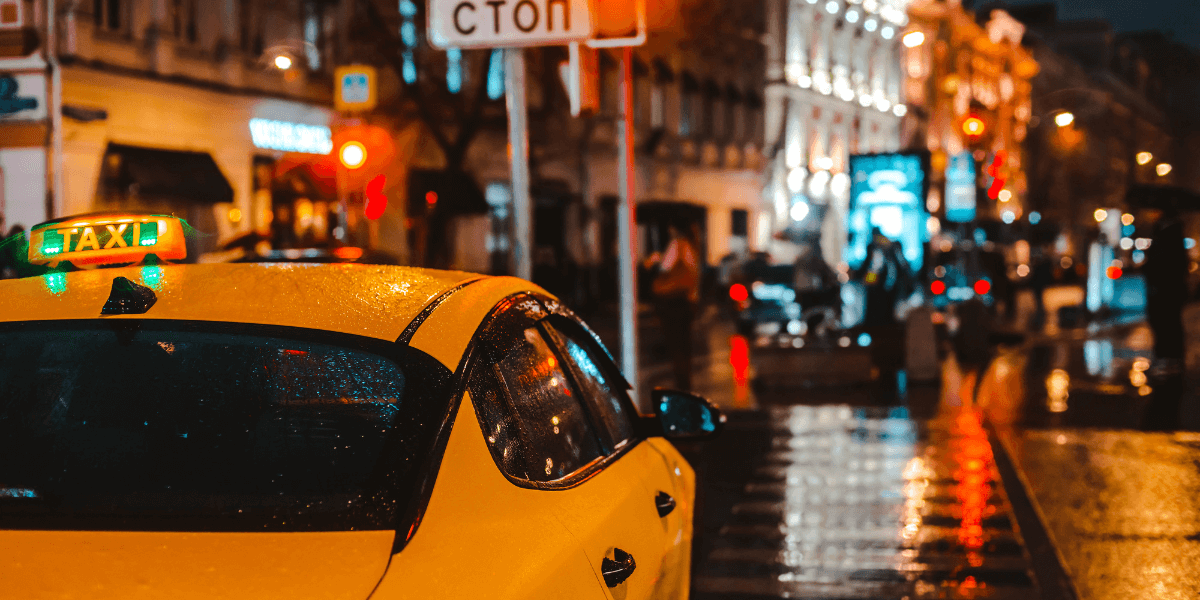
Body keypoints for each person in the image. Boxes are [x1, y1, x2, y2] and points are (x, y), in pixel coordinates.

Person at [651, 221, 701, 391]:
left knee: (677, 346)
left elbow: (666, 268)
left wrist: (656, 259)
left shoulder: (677, 244)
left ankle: (682, 385)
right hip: (687, 302)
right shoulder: (693, 246)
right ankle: (685, 383)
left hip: (674, 303)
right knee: (685, 346)